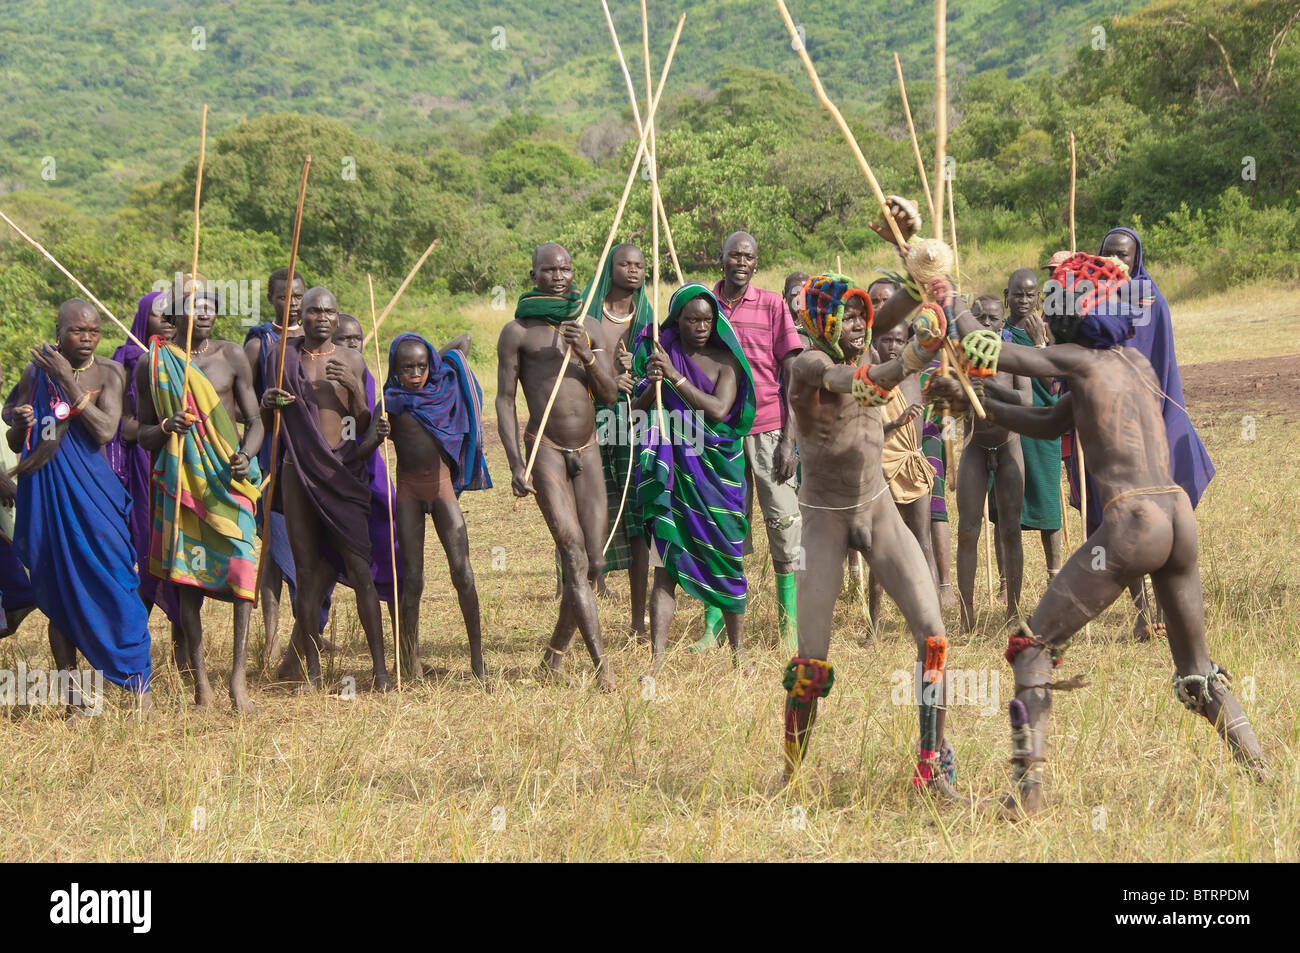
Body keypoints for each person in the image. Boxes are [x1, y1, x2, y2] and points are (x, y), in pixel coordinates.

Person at [928, 254, 1265, 819]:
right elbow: (1053, 421)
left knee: (1032, 649)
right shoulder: (1132, 364)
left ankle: (1027, 797)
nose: (1048, 316)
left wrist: (946, 295)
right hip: (1176, 515)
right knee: (1197, 672)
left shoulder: (1076, 360)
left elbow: (987, 351)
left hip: (1133, 521)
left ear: (1075, 313)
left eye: (1057, 303)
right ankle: (1262, 769)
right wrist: (978, 403)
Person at [781, 259, 963, 800]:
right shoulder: (810, 363)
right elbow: (856, 383)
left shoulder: (858, 340)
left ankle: (931, 765)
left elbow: (901, 307)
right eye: (849, 318)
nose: (862, 326)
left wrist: (923, 275)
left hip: (879, 510)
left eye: (864, 316)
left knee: (933, 637)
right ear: (822, 324)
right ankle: (789, 777)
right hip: (824, 524)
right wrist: (914, 356)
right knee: (811, 663)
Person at [6, 300, 151, 711]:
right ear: (59, 330)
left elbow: (106, 431)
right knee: (60, 591)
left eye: (94, 331)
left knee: (119, 584)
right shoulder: (35, 373)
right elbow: (19, 442)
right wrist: (21, 423)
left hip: (96, 498)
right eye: (77, 331)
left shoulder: (109, 372)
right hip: (48, 497)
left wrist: (67, 381)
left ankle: (139, 689)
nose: (87, 339)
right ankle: (74, 700)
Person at [135, 276, 264, 711]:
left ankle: (238, 678)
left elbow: (255, 420)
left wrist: (246, 454)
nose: (205, 311)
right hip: (184, 484)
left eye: (210, 303)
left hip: (229, 479)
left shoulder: (233, 356)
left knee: (243, 572)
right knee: (188, 583)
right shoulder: (153, 365)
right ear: (173, 315)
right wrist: (165, 428)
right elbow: (140, 432)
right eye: (195, 304)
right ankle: (201, 684)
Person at [496, 243, 620, 688]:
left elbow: (608, 395)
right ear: (533, 275)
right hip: (544, 447)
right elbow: (505, 399)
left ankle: (553, 656)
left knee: (594, 562)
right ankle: (602, 666)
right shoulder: (518, 332)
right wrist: (515, 462)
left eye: (566, 268)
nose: (559, 275)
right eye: (549, 270)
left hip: (587, 448)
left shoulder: (588, 326)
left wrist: (586, 353)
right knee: (571, 551)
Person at [261, 287, 393, 691]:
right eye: (314, 310)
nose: (322, 317)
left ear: (337, 318)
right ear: (301, 315)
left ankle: (381, 671)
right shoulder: (281, 357)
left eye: (329, 311)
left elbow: (366, 422)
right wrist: (268, 404)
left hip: (341, 475)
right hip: (296, 471)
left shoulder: (352, 358)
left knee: (359, 570)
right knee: (306, 573)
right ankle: (312, 674)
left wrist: (353, 386)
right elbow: (272, 428)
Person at [1092, 227, 1215, 641]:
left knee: (1159, 516)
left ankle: (1164, 607)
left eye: (1123, 255)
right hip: (1109, 425)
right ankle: (1142, 610)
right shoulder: (1090, 298)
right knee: (1119, 516)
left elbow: (1163, 365)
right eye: (1109, 254)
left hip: (1151, 422)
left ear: (1137, 257)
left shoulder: (1151, 299)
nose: (1116, 262)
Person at [633, 283, 755, 674]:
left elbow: (719, 411)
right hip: (677, 475)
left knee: (728, 559)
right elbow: (634, 407)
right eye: (692, 319)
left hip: (718, 473)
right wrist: (654, 380)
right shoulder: (661, 355)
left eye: (707, 319)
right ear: (677, 321)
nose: (701, 326)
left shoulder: (726, 362)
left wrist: (674, 378)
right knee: (665, 565)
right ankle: (656, 661)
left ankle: (738, 657)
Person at [704, 231, 802, 653]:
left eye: (748, 257)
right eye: (733, 256)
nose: (740, 262)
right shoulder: (702, 305)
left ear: (756, 264)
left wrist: (789, 442)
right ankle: (714, 627)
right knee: (722, 525)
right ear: (721, 260)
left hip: (768, 430)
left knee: (784, 524)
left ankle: (790, 625)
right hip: (719, 430)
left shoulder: (773, 305)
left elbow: (792, 377)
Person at [385, 331, 491, 679]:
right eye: (406, 368)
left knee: (462, 572)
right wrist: (378, 428)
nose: (415, 374)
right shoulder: (390, 402)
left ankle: (478, 660)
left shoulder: (443, 391)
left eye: (421, 366)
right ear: (394, 369)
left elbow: (464, 342)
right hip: (408, 495)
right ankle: (408, 663)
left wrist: (435, 356)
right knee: (412, 579)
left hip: (442, 491)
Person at [243, 267, 326, 662]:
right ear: (271, 299)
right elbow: (249, 409)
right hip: (274, 451)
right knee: (274, 548)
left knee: (312, 543)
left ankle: (308, 629)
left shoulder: (318, 339)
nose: (291, 303)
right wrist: (267, 405)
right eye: (283, 297)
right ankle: (272, 637)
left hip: (312, 453)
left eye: (297, 297)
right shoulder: (260, 344)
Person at [583, 243, 653, 638]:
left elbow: (656, 370)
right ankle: (583, 613)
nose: (633, 270)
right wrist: (607, 376)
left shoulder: (646, 319)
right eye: (625, 263)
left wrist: (634, 371)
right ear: (610, 268)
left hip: (631, 419)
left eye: (639, 265)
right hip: (590, 421)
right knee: (592, 512)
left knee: (636, 518)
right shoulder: (587, 315)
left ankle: (637, 623)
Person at [953, 294, 1030, 632]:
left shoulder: (1013, 356)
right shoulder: (962, 357)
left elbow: (1025, 401)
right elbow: (952, 408)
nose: (985, 325)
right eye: (979, 318)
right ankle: (967, 613)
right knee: (968, 531)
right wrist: (958, 389)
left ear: (1003, 322)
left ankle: (1013, 609)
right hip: (975, 447)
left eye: (992, 319)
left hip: (1009, 445)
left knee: (1011, 530)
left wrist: (992, 388)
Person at [107, 290, 182, 633]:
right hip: (141, 463)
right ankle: (131, 636)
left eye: (173, 314)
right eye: (159, 314)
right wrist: (161, 426)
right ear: (142, 318)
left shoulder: (186, 358)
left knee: (181, 549)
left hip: (183, 459)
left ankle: (184, 643)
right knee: (147, 548)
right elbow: (120, 423)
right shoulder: (126, 360)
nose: (167, 321)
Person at [989, 269, 1063, 586]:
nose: (1023, 300)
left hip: (1044, 426)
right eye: (1017, 294)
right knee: (1003, 509)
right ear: (1007, 296)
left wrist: (1039, 343)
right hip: (1008, 429)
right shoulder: (997, 334)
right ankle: (1006, 581)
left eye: (1029, 295)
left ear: (1038, 298)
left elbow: (1054, 385)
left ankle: (1054, 576)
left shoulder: (1049, 332)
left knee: (1049, 506)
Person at [867, 317, 936, 629]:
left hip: (914, 464)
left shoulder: (913, 375)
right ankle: (876, 625)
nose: (892, 347)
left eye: (898, 340)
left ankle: (932, 619)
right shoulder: (870, 382)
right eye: (885, 340)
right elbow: (865, 431)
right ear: (875, 344)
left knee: (923, 540)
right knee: (881, 547)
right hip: (883, 470)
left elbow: (935, 337)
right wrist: (896, 423)